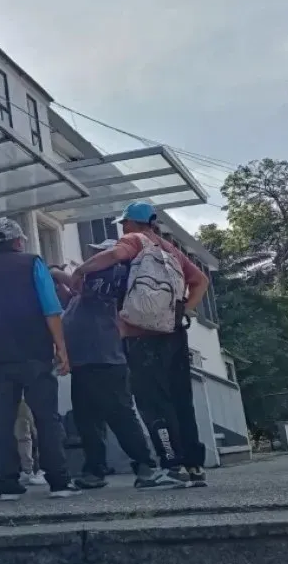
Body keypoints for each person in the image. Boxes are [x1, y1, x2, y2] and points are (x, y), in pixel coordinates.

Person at [72, 202, 210, 488]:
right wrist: (182, 312)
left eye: (124, 223)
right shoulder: (170, 250)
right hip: (172, 332)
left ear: (133, 224)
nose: (123, 228)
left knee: (152, 403)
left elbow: (115, 254)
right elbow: (201, 281)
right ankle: (194, 465)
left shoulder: (135, 240)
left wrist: (81, 270)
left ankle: (171, 464)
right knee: (181, 399)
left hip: (140, 336)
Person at [0, 217, 78, 500]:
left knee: (2, 421)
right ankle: (59, 482)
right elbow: (50, 308)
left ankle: (8, 484)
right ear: (18, 242)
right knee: (46, 418)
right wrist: (61, 348)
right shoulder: (32, 263)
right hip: (34, 354)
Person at [62, 240, 179, 489]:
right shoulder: (87, 287)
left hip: (105, 360)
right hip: (83, 362)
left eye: (97, 254)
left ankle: (146, 466)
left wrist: (56, 271)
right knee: (87, 420)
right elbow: (72, 298)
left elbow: (81, 288)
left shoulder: (109, 281)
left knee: (120, 416)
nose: (92, 256)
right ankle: (94, 470)